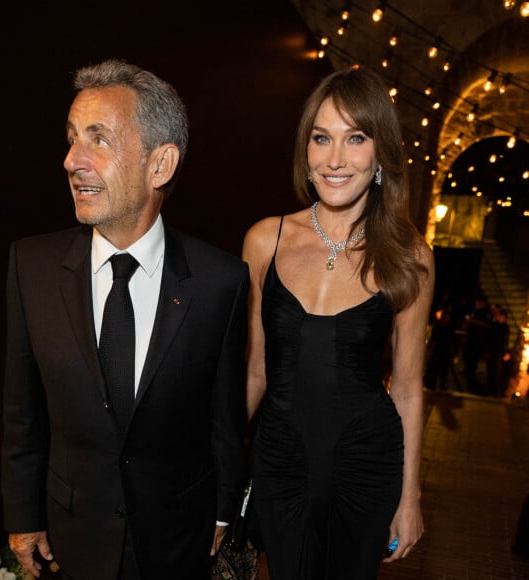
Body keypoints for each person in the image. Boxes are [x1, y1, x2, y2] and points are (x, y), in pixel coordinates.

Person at [1, 59, 249, 580]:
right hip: (72, 534)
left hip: (179, 535)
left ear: (160, 165)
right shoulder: (32, 267)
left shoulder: (220, 281)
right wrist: (23, 517)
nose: (72, 160)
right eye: (71, 139)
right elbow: (22, 411)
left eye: (98, 140)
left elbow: (222, 416)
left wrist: (225, 509)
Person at [242, 66, 434, 579]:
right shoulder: (265, 240)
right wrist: (218, 466)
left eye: (356, 138)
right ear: (306, 149)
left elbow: (409, 390)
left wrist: (409, 497)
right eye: (321, 137)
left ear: (380, 155)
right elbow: (256, 370)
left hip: (365, 464)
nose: (334, 159)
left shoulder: (410, 256)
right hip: (280, 460)